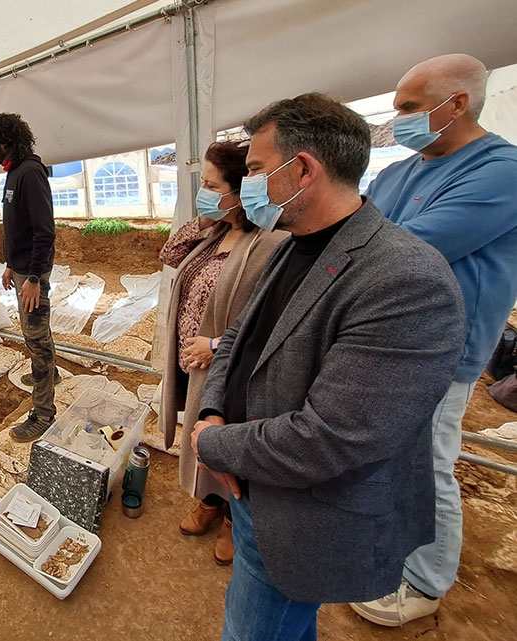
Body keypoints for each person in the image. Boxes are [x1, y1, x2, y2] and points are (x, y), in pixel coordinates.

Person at [191, 93, 466, 641]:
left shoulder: (404, 279)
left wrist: (211, 443)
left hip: (303, 513)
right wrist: (216, 409)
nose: (250, 185)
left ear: (304, 170)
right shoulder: (296, 244)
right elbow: (240, 340)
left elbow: (332, 437)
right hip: (255, 487)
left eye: (256, 170)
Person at [351, 54, 517, 627]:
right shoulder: (400, 172)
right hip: (378, 336)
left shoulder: (502, 170)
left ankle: (423, 581)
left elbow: (403, 247)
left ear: (457, 103)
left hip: (440, 349)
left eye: (409, 108)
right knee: (385, 453)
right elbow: (354, 232)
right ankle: (386, 548)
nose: (399, 121)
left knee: (427, 461)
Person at [158, 140, 287, 565]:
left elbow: (272, 316)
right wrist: (207, 216)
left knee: (226, 438)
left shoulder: (270, 242)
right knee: (201, 434)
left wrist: (216, 346)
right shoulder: (216, 230)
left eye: (213, 186)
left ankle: (232, 516)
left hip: (228, 366)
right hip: (194, 364)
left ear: (240, 191)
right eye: (204, 185)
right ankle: (209, 504)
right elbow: (170, 253)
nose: (205, 192)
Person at [0, 113, 57, 442]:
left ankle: (43, 413)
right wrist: (12, 263)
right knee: (37, 331)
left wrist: (35, 278)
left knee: (36, 339)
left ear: (5, 142)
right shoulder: (13, 174)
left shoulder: (30, 173)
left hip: (33, 274)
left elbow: (44, 231)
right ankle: (50, 374)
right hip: (23, 268)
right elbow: (18, 227)